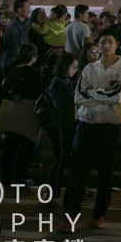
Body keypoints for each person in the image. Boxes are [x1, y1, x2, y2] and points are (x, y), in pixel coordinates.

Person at [63, 31, 121, 230]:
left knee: (105, 174)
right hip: (86, 125)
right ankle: (70, 216)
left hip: (109, 128)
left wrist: (93, 93)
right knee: (78, 173)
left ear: (117, 44)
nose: (106, 46)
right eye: (102, 42)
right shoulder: (89, 69)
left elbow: (118, 98)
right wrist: (103, 95)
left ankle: (99, 213)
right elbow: (78, 97)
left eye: (110, 42)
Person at [0, 43, 45, 186]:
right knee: (25, 148)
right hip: (28, 113)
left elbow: (2, 91)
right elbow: (40, 92)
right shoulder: (35, 73)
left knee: (10, 148)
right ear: (34, 57)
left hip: (12, 111)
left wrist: (14, 96)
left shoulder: (10, 71)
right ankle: (20, 179)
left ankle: (6, 177)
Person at [44, 52, 79, 197]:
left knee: (62, 158)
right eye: (73, 67)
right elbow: (60, 105)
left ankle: (54, 190)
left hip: (66, 125)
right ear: (65, 66)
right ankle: (51, 191)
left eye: (76, 67)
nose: (74, 70)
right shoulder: (57, 83)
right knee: (60, 158)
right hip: (58, 125)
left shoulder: (65, 81)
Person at [0, 0, 32, 69]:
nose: (29, 10)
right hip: (12, 65)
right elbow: (14, 50)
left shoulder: (22, 25)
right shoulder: (14, 27)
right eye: (27, 8)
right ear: (19, 10)